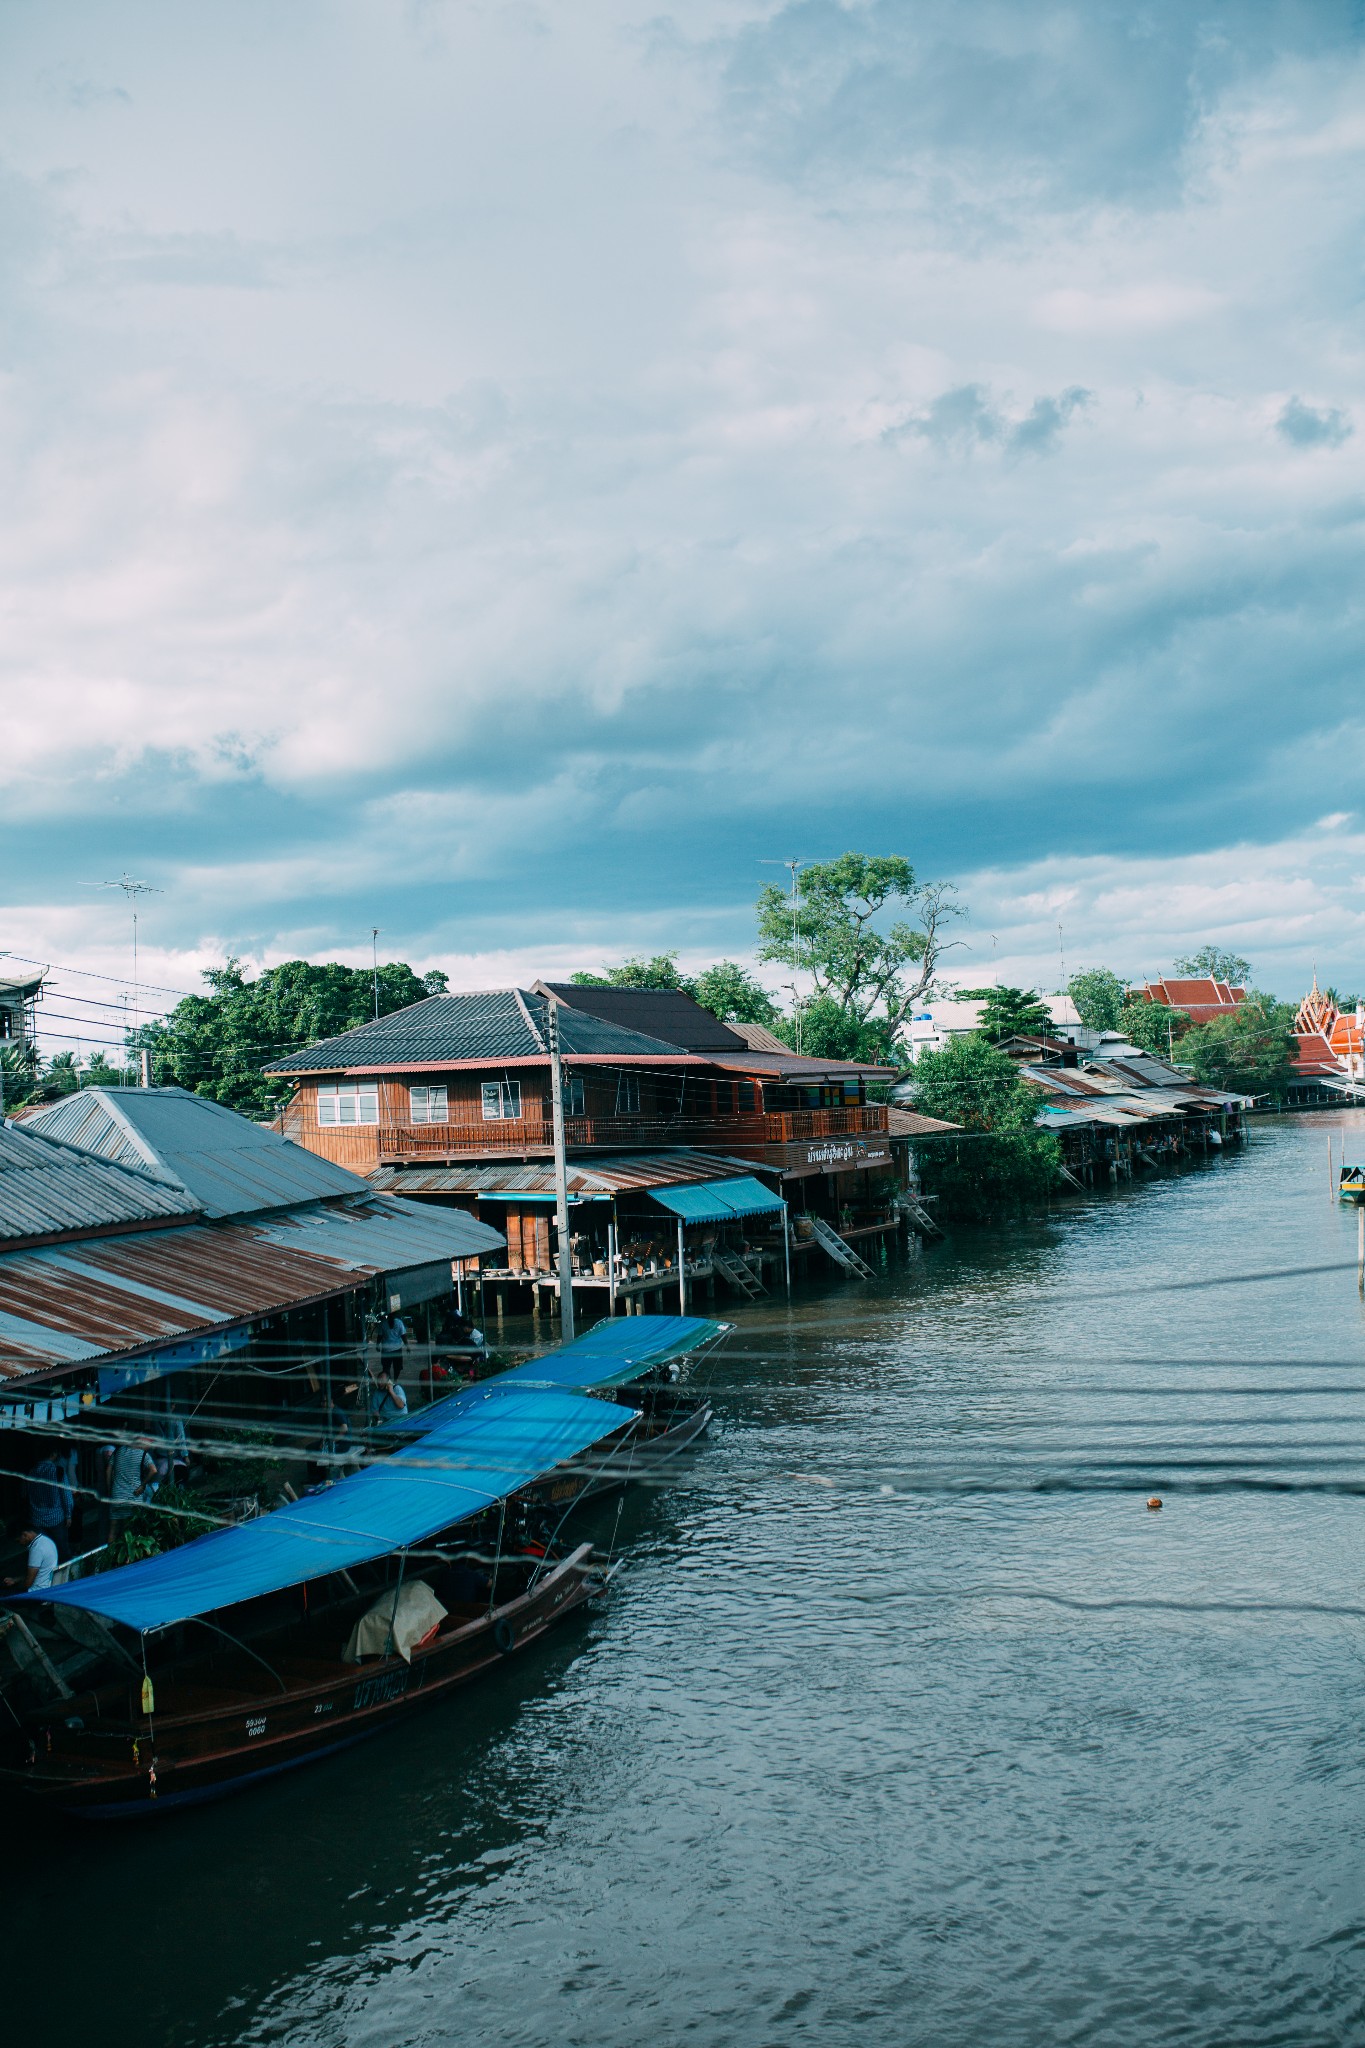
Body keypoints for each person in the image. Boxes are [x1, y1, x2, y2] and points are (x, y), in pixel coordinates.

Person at [108, 1438, 158, 1540]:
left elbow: (108, 1471)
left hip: (117, 1495)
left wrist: (110, 1490)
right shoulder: (143, 1454)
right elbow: (153, 1470)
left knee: (113, 1530)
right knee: (130, 1530)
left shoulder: (117, 1451)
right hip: (134, 1496)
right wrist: (143, 1484)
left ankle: (110, 1553)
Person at [26, 1450, 70, 1561]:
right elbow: (66, 1495)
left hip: (37, 1519)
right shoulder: (58, 1471)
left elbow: (24, 1494)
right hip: (57, 1518)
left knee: (43, 1554)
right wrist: (68, 1514)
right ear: (52, 1454)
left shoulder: (31, 1472)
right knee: (62, 1552)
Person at [4, 1521, 59, 1591]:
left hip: (38, 1591)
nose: (20, 1544)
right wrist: (15, 1580)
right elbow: (37, 1573)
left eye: (18, 1541)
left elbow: (28, 1583)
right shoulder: (46, 1540)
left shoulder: (37, 1549)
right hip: (49, 1585)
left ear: (25, 1535)